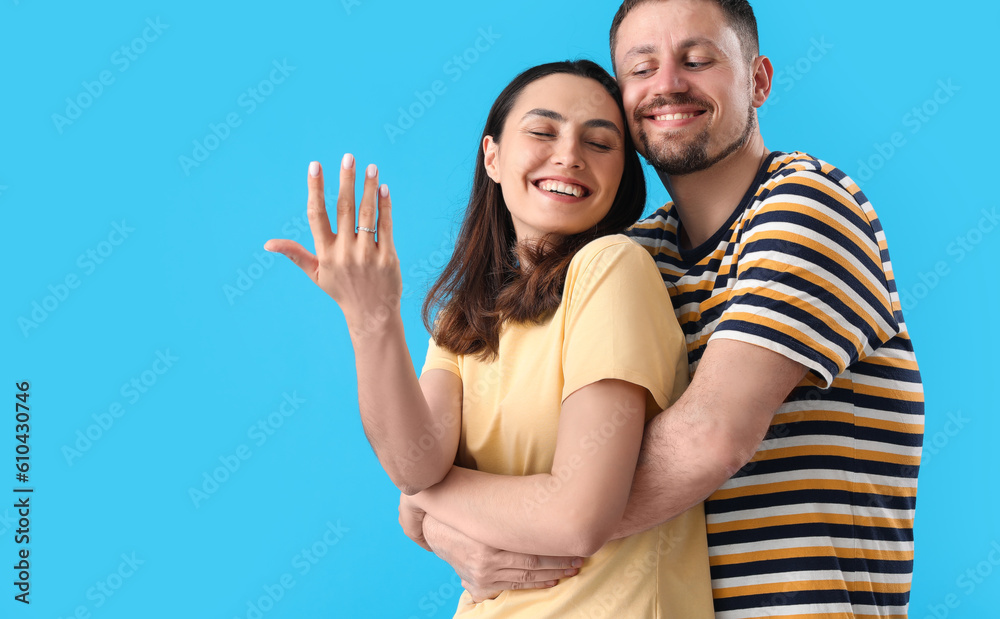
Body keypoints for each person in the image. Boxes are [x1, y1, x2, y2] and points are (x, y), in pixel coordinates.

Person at [402, 0, 925, 619]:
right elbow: (450, 455)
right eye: (640, 69)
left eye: (697, 60)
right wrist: (437, 518)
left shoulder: (806, 207)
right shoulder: (626, 259)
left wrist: (511, 519)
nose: (668, 84)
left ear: (759, 80)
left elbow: (709, 437)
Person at [264, 60, 715, 617]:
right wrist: (371, 316)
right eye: (543, 131)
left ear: (622, 176)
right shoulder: (466, 316)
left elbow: (576, 519)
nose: (569, 154)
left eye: (600, 143)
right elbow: (414, 462)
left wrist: (423, 505)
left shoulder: (610, 267)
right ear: (493, 157)